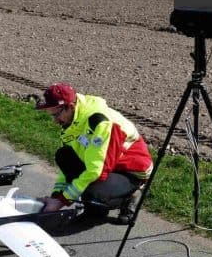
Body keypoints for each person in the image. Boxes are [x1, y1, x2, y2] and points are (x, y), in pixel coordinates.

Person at [35, 83, 153, 224]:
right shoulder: (72, 122)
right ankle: (95, 212)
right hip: (107, 165)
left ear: (70, 107)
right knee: (64, 156)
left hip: (131, 171)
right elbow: (68, 168)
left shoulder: (99, 122)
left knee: (93, 189)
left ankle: (131, 195)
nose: (54, 121)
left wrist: (61, 202)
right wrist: (56, 196)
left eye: (56, 115)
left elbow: (96, 172)